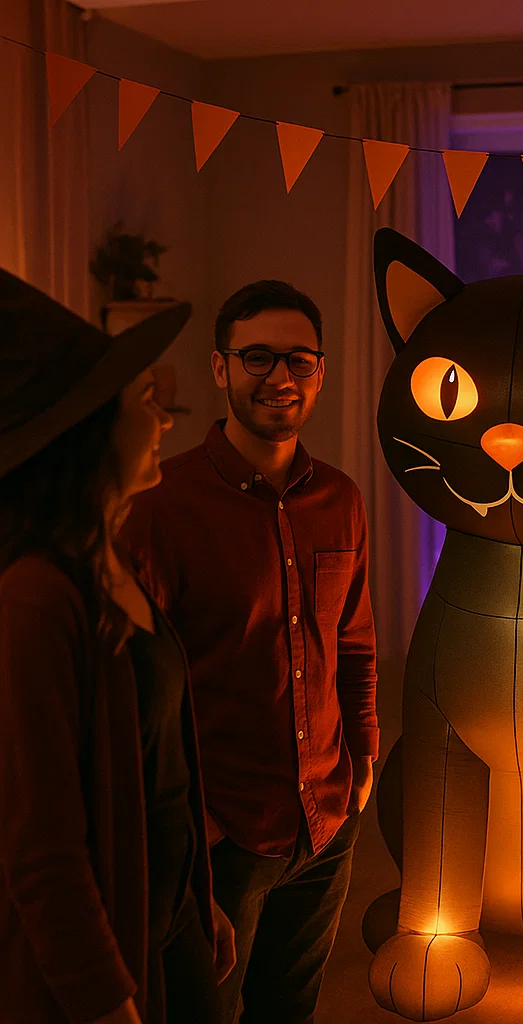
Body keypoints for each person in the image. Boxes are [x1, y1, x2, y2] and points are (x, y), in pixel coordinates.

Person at [120, 279, 379, 1024]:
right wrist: (188, 830)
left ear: (320, 371)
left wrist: (364, 755)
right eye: (257, 358)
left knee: (288, 1009)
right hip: (223, 830)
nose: (280, 378)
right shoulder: (161, 507)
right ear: (220, 368)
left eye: (299, 360)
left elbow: (355, 638)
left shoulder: (341, 497)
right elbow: (140, 687)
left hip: (328, 817)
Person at [0, 271, 235, 1024]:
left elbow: (161, 769)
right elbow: (44, 851)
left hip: (172, 924)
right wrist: (107, 1004)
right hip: (113, 957)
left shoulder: (112, 563)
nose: (165, 417)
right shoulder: (35, 599)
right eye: (144, 402)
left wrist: (199, 899)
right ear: (86, 431)